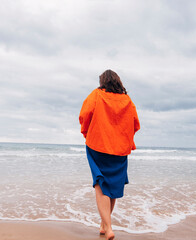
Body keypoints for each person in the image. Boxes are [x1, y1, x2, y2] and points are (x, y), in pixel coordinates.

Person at [79, 69, 140, 240]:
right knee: (112, 188)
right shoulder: (127, 100)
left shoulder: (97, 95)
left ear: (102, 81)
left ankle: (109, 227)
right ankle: (104, 225)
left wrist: (87, 133)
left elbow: (84, 115)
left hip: (97, 145)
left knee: (100, 185)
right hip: (119, 149)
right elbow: (135, 123)